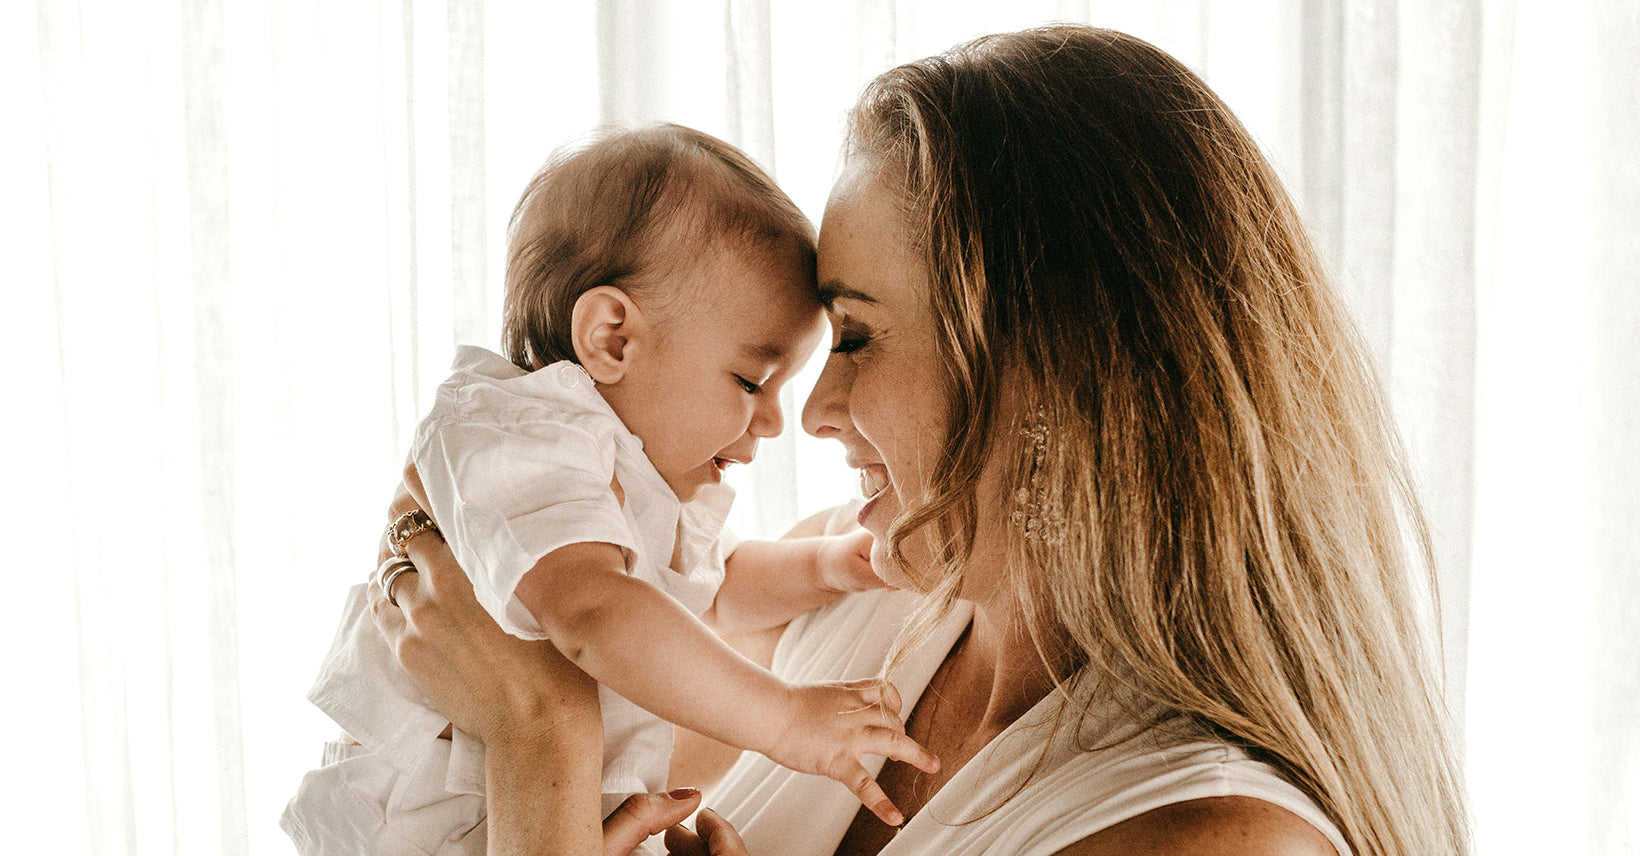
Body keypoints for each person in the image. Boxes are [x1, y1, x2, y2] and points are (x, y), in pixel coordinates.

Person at [361, 25, 1472, 856]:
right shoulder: (839, 604)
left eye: (852, 337)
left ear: (1050, 366)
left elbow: (551, 746)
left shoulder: (1208, 836)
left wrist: (536, 736)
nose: (808, 413)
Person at [281, 124, 937, 856]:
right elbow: (598, 610)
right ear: (612, 338)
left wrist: (827, 566)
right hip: (420, 831)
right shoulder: (518, 432)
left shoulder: (618, 474)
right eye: (751, 381)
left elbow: (702, 598)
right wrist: (786, 720)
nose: (777, 420)